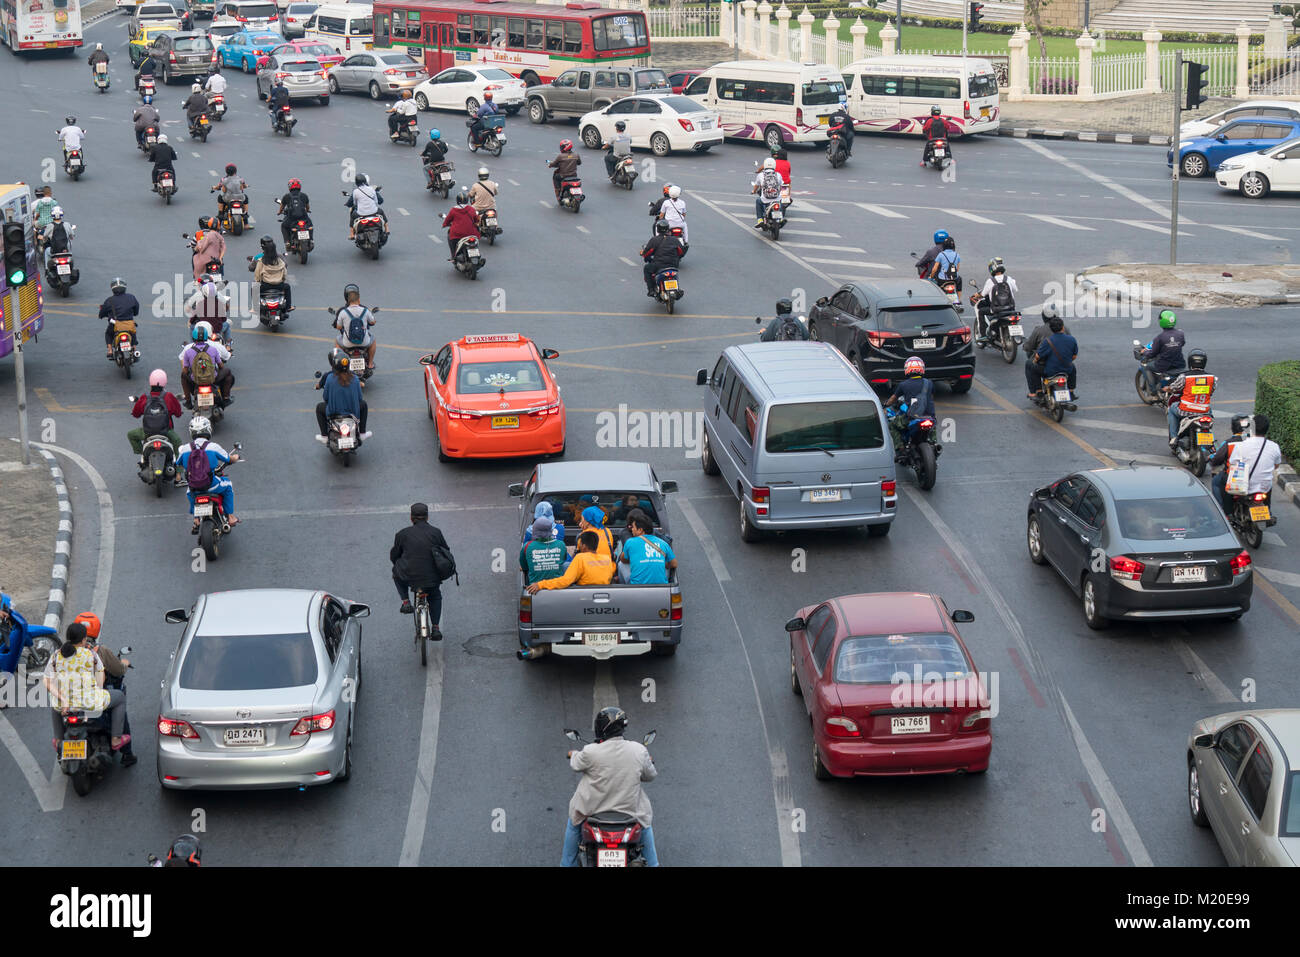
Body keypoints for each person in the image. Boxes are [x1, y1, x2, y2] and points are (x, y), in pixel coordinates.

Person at [562, 707, 658, 867]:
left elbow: (576, 764)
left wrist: (573, 753)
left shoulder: (591, 751)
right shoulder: (639, 750)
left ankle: (566, 864)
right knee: (645, 825)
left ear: (600, 728)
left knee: (574, 823)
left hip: (591, 810)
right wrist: (646, 760)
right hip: (630, 811)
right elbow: (650, 775)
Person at [42, 622, 130, 754]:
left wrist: (63, 698)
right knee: (120, 697)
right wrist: (99, 692)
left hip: (65, 706)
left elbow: (47, 681)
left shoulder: (56, 655)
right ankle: (116, 739)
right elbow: (101, 676)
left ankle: (59, 740)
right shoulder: (91, 654)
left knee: (54, 702)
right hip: (89, 703)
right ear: (84, 639)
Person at [74, 612, 136, 767]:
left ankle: (58, 740)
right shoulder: (100, 651)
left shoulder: (64, 651)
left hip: (71, 699)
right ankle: (125, 750)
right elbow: (118, 671)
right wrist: (124, 664)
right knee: (119, 698)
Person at [390, 503, 452, 632]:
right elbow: (446, 551)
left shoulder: (402, 534)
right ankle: (435, 627)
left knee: (396, 574)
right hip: (432, 577)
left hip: (409, 576)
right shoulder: (436, 532)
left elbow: (394, 556)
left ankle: (406, 602)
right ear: (427, 517)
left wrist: (400, 563)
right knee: (435, 595)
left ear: (411, 518)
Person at [176, 417, 239, 527]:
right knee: (228, 485)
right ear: (208, 429)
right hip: (212, 485)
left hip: (194, 488)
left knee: (189, 493)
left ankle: (196, 519)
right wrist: (235, 457)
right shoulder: (213, 446)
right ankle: (230, 516)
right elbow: (229, 459)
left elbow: (178, 463)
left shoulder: (185, 448)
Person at [1225, 414, 1284, 525]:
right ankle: (1268, 511)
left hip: (1243, 487)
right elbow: (1276, 466)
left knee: (1220, 481)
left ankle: (1229, 514)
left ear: (1251, 428)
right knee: (1268, 483)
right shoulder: (1274, 446)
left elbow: (1233, 463)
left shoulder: (1241, 446)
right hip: (1264, 487)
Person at [526, 531, 614, 593]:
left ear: (583, 546)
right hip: (604, 591)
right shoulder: (607, 559)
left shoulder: (580, 557)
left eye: (580, 544)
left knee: (565, 566)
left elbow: (565, 581)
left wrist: (541, 584)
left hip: (582, 594)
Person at [1162, 349, 1215, 448]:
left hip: (1186, 411)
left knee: (1172, 408)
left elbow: (1174, 388)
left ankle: (1173, 437)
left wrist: (1167, 389)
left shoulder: (1184, 377)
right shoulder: (1211, 377)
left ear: (1190, 362)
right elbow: (1211, 391)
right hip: (1204, 411)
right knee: (1209, 410)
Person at [315, 353, 371, 443]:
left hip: (333, 413)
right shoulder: (355, 378)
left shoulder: (329, 378)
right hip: (353, 414)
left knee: (319, 407)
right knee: (363, 404)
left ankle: (324, 436)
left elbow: (325, 398)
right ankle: (362, 433)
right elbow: (360, 398)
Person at [129, 369, 184, 457]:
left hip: (147, 432)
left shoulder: (144, 397)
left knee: (131, 435)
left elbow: (136, 414)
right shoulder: (169, 396)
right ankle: (178, 469)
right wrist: (178, 413)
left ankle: (143, 454)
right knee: (178, 444)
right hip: (166, 432)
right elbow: (178, 413)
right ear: (164, 382)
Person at [178, 322, 234, 406]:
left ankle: (188, 400)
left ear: (193, 337)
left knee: (183, 375)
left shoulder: (188, 350)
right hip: (212, 378)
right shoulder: (213, 349)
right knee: (228, 372)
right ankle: (226, 397)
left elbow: (185, 370)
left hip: (195, 379)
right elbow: (221, 365)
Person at [618, 514, 676, 585]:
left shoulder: (630, 542)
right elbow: (674, 564)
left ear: (640, 530)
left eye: (633, 527)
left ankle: (622, 586)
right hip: (662, 585)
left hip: (636, 586)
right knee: (665, 562)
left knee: (621, 564)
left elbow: (623, 559)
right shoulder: (663, 543)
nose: (631, 529)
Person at [1210, 414, 1251, 513]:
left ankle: (1222, 510)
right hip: (1254, 475)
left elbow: (1217, 459)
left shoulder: (1229, 443)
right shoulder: (1252, 441)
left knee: (1215, 482)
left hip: (1236, 477)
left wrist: (1211, 458)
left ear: (1232, 428)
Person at [1138, 309, 1186, 394]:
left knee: (1145, 366)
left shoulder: (1159, 338)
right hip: (1180, 364)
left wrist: (1144, 352)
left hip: (1164, 366)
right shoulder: (1180, 334)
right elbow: (1182, 344)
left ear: (1161, 321)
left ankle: (1153, 391)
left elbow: (1152, 354)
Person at [971, 257, 1018, 342]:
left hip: (996, 309)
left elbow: (982, 294)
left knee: (981, 311)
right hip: (1011, 308)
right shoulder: (1009, 279)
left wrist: (976, 295)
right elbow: (1015, 289)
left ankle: (984, 335)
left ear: (992, 268)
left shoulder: (991, 281)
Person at [1024, 304, 1067, 396]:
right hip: (1064, 365)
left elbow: (1028, 347)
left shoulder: (1039, 330)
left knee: (1029, 364)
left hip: (1045, 367)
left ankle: (1036, 392)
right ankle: (1071, 391)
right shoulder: (1065, 330)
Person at [1032, 316, 1078, 399]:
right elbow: (1074, 356)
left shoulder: (1048, 341)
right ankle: (1071, 391)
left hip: (1050, 371)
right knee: (1073, 367)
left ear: (1051, 329)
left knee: (1031, 366)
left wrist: (1035, 361)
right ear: (1063, 327)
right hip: (1067, 370)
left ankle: (1038, 392)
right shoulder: (1072, 339)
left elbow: (1038, 356)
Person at [334, 283, 378, 369]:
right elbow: (372, 322)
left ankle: (337, 365)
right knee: (373, 340)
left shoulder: (343, 312)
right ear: (359, 300)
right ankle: (370, 363)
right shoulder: (365, 310)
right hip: (364, 342)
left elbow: (338, 327)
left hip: (348, 343)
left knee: (337, 341)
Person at [519, 515, 569, 585]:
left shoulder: (527, 546)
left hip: (534, 588)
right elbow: (563, 560)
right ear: (551, 529)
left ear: (534, 530)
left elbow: (524, 567)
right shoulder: (561, 544)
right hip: (556, 586)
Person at [640, 219, 684, 297]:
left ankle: (651, 290)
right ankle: (677, 289)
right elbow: (681, 252)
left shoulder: (654, 240)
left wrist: (643, 254)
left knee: (647, 268)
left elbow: (647, 252)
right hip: (673, 264)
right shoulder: (674, 239)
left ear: (657, 229)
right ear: (668, 228)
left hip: (659, 265)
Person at [250, 235, 294, 312]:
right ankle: (288, 307)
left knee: (254, 287)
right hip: (279, 285)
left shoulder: (260, 260)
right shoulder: (280, 259)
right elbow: (285, 271)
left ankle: (255, 308)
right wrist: (282, 279)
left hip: (266, 285)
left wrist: (258, 281)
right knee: (287, 287)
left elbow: (257, 275)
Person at [99, 277, 139, 360]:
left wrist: (102, 315)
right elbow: (136, 311)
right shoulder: (131, 297)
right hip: (129, 324)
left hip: (115, 325)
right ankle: (134, 348)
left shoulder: (109, 300)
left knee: (108, 334)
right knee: (133, 332)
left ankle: (110, 350)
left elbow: (102, 314)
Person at [185, 279, 231, 347]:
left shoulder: (200, 304)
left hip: (203, 330)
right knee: (227, 325)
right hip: (217, 330)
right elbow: (224, 319)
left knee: (192, 327)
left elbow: (193, 317)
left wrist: (190, 321)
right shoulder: (219, 303)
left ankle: (192, 345)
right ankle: (228, 345)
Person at [346, 173, 388, 240]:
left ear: (356, 183)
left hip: (361, 213)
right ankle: (387, 229)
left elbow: (355, 203)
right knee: (381, 212)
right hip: (374, 212)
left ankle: (351, 234)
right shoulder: (371, 189)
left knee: (353, 216)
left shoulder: (355, 191)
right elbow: (376, 201)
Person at [442, 191, 481, 261]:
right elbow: (476, 219)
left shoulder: (453, 210)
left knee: (450, 238)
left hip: (457, 234)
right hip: (471, 233)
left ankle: (453, 256)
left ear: (457, 200)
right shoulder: (471, 209)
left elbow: (447, 220)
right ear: (467, 200)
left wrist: (444, 225)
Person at [277, 178, 312, 247]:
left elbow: (282, 206)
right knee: (310, 226)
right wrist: (307, 210)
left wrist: (279, 212)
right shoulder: (304, 195)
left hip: (291, 218)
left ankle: (287, 242)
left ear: (290, 186)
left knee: (284, 226)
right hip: (303, 217)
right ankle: (311, 240)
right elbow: (307, 206)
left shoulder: (286, 196)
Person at [191, 215, 225, 282]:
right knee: (221, 261)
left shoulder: (198, 234)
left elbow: (193, 244)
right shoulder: (217, 233)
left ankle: (196, 278)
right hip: (215, 256)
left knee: (194, 260)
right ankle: (221, 275)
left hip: (203, 257)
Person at [752, 156, 783, 227]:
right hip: (776, 199)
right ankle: (780, 218)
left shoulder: (760, 175)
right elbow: (781, 186)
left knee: (758, 201)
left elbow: (756, 185)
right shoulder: (778, 175)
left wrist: (753, 191)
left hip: (765, 199)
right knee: (781, 202)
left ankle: (760, 220)